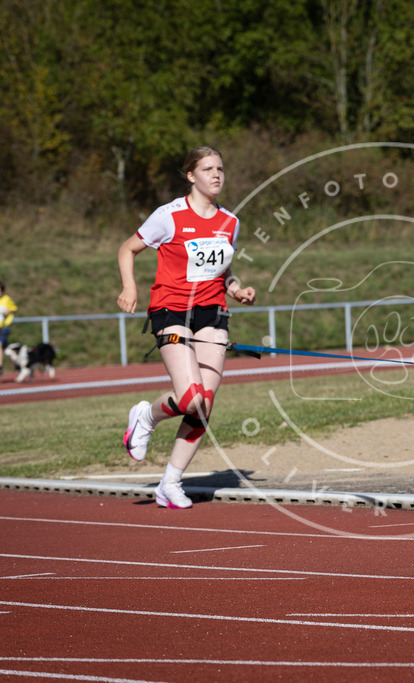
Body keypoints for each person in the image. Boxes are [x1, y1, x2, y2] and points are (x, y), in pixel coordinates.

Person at [116, 146, 256, 509]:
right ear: (191, 175)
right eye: (207, 168)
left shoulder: (230, 221)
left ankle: (170, 482)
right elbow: (127, 249)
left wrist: (237, 289)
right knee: (190, 397)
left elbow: (222, 270)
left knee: (203, 406)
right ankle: (146, 416)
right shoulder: (169, 216)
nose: (216, 174)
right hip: (171, 310)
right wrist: (129, 287)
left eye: (220, 168)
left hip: (212, 312)